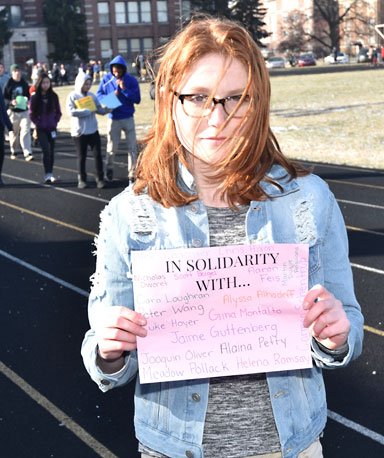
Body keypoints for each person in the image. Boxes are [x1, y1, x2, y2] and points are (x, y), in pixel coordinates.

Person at [81, 17, 364, 458]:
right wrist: (109, 349)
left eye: (236, 98)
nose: (218, 118)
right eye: (198, 97)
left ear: (259, 101)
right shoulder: (130, 213)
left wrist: (336, 335)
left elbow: (347, 322)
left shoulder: (309, 199)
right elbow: (103, 358)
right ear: (169, 100)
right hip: (174, 449)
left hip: (290, 447)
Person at [96, 55, 141, 183]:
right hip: (113, 118)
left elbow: (137, 99)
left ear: (123, 69)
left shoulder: (131, 80)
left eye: (119, 71)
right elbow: (99, 96)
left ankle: (132, 173)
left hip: (128, 117)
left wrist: (124, 90)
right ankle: (109, 168)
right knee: (111, 147)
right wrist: (112, 96)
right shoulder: (106, 79)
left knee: (132, 147)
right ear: (111, 69)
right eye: (114, 71)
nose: (116, 73)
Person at [66, 72, 111, 189]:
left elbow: (98, 110)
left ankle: (100, 178)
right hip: (79, 132)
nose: (88, 86)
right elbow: (70, 112)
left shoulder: (92, 96)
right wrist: (86, 111)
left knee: (97, 155)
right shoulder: (73, 96)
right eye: (86, 84)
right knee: (82, 156)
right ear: (80, 84)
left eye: (89, 84)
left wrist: (107, 109)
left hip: (93, 130)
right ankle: (82, 179)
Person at [29, 73, 62, 184]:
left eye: (47, 82)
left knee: (52, 151)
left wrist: (55, 121)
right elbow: (31, 114)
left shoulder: (54, 96)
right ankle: (47, 173)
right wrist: (38, 123)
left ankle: (50, 173)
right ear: (39, 84)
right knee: (46, 150)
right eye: (43, 83)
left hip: (52, 128)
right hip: (41, 128)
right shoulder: (34, 97)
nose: (45, 85)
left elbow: (58, 112)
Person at [4, 64, 33, 161]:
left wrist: (27, 100)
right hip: (13, 111)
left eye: (18, 71)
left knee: (25, 131)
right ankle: (14, 150)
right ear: (12, 73)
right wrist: (11, 102)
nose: (17, 73)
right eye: (15, 71)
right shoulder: (9, 84)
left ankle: (27, 152)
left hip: (24, 110)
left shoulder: (24, 83)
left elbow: (28, 96)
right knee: (13, 132)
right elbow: (4, 98)